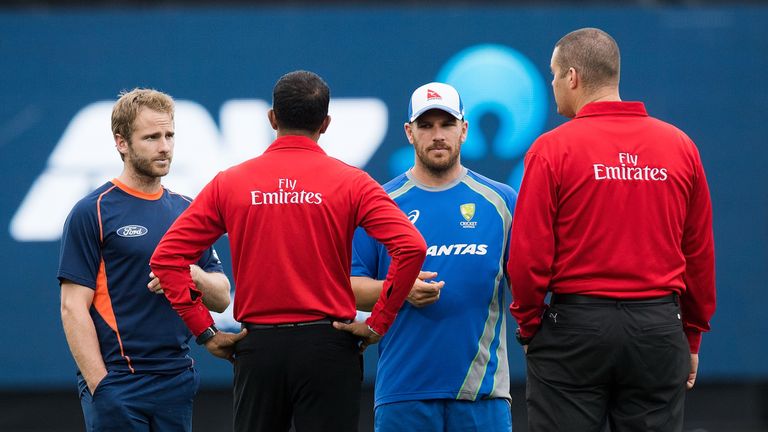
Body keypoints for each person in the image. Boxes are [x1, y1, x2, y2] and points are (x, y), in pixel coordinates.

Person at [149, 70, 427, 432]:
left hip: (258, 349)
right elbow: (412, 246)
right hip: (329, 347)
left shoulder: (231, 183)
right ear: (325, 124)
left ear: (272, 118)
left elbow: (166, 258)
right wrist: (378, 323)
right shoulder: (351, 181)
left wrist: (206, 332)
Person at [508, 28, 716, 431]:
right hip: (658, 328)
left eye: (552, 75)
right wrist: (691, 335)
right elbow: (699, 253)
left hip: (574, 329)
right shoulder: (679, 146)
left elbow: (528, 255)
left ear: (572, 77)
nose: (551, 86)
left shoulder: (552, 149)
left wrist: (529, 325)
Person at [58, 88, 231, 432]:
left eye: (169, 135)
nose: (164, 146)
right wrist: (101, 386)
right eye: (151, 137)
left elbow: (223, 297)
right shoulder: (92, 210)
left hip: (176, 379)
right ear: (121, 143)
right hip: (118, 381)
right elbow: (72, 307)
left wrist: (191, 275)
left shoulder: (186, 210)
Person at [351, 82, 517, 432]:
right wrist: (400, 288)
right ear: (409, 133)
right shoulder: (381, 203)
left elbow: (529, 282)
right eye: (426, 126)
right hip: (403, 392)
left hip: (481, 394)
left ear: (464, 130)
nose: (437, 135)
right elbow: (348, 285)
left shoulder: (501, 202)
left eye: (447, 124)